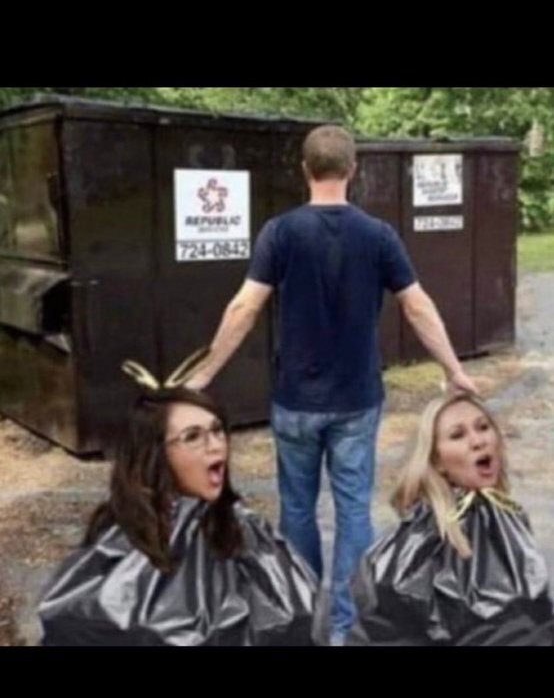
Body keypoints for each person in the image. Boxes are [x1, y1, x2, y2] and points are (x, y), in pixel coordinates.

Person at [187, 125, 478, 645]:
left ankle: (300, 617)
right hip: (357, 401)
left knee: (297, 509)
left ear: (305, 169)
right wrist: (454, 369)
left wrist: (204, 374)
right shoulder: (379, 236)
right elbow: (417, 306)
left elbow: (244, 307)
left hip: (295, 401)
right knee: (353, 511)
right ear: (353, 170)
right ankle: (347, 626)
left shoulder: (280, 232)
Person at [38, 359, 316, 647]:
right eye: (193, 437)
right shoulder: (119, 551)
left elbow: (294, 617)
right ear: (155, 453)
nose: (215, 445)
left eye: (217, 430)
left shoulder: (244, 531)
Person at [351, 394, 554, 646]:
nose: (478, 441)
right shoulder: (417, 544)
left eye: (483, 427)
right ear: (437, 461)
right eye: (458, 435)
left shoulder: (508, 516)